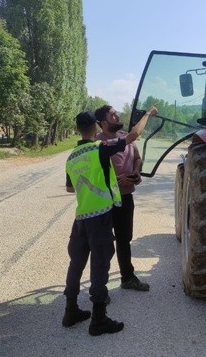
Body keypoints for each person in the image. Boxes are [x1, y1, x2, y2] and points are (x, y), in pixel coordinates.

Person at [63, 106, 157, 336]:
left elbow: (69, 188)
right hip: (101, 215)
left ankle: (71, 311)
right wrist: (147, 115)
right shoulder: (100, 148)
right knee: (100, 265)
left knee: (76, 264)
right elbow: (134, 135)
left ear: (77, 129)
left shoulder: (72, 157)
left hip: (81, 218)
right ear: (96, 127)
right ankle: (99, 319)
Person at [94, 105, 150, 292]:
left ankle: (127, 278)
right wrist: (119, 180)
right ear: (103, 123)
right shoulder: (98, 143)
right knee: (103, 243)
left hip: (125, 198)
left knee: (124, 239)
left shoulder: (124, 136)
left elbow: (137, 158)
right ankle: (100, 287)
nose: (117, 116)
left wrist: (136, 171)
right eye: (112, 115)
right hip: (106, 201)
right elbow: (97, 178)